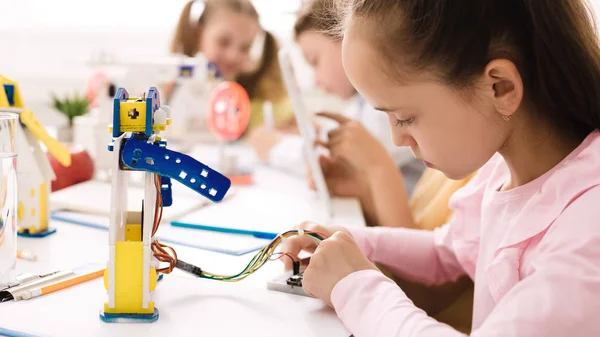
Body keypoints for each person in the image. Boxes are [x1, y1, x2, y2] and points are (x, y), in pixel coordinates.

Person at [281, 0, 600, 336]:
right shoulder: (501, 171)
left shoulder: (587, 230)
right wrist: (353, 243)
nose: (397, 138)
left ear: (500, 87)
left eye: (404, 117)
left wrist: (355, 286)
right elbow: (445, 252)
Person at [246, 0, 414, 178]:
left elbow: (343, 163)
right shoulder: (361, 104)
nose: (316, 80)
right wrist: (310, 131)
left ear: (345, 37)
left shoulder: (387, 102)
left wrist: (275, 147)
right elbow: (340, 133)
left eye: (315, 61)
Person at [167, 0, 294, 134]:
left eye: (245, 48)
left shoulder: (257, 94)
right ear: (198, 33)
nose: (233, 56)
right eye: (223, 42)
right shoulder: (170, 87)